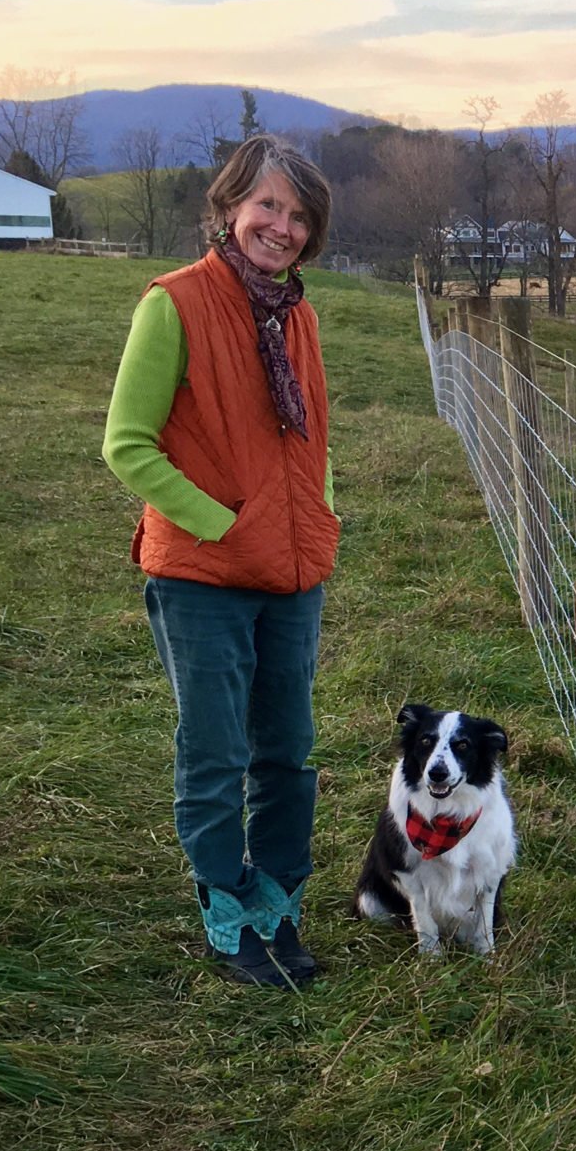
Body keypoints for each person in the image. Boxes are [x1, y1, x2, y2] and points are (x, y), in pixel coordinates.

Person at [102, 135, 341, 987]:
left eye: (299, 215)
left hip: (291, 573)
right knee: (215, 751)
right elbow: (126, 446)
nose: (281, 227)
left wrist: (312, 518)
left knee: (289, 750)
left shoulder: (298, 315)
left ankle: (277, 896)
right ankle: (225, 903)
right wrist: (224, 524)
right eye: (268, 206)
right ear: (231, 207)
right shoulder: (173, 303)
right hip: (202, 574)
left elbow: (302, 445)